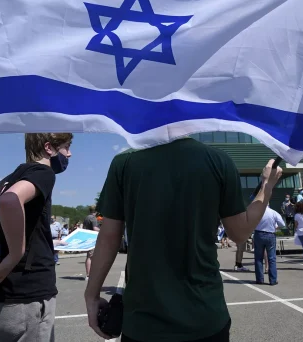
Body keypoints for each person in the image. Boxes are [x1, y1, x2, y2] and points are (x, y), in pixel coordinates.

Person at [85, 137, 283, 342]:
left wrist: (91, 295)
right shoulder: (218, 161)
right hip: (204, 315)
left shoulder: (124, 162)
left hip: (143, 322)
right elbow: (240, 233)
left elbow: (109, 237)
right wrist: (266, 186)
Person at [0, 132, 73, 342]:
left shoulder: (12, 177)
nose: (69, 154)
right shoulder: (43, 172)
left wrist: (49, 242)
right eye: (66, 147)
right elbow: (10, 200)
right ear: (49, 148)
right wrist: (15, 255)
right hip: (27, 296)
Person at [253, 205, 285, 285]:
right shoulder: (273, 212)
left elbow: (250, 222)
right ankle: (273, 280)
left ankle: (259, 279)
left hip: (259, 234)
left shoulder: (257, 212)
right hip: (270, 234)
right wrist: (276, 228)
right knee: (272, 258)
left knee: (258, 258)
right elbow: (282, 224)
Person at [82, 205, 100, 280]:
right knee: (90, 256)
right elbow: (95, 228)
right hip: (92, 238)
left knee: (89, 256)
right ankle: (89, 274)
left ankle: (89, 273)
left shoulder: (86, 217)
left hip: (87, 238)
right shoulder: (93, 218)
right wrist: (102, 230)